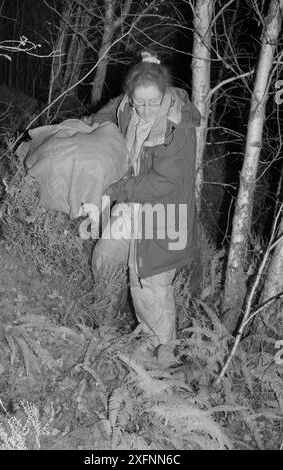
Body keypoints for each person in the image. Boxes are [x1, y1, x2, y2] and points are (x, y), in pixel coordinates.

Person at [90, 50, 201, 349]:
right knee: (105, 259)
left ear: (164, 93)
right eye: (140, 101)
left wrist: (118, 190)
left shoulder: (178, 128)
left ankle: (160, 368)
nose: (147, 109)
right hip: (132, 207)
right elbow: (109, 114)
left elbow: (165, 181)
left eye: (153, 101)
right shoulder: (129, 105)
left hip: (164, 216)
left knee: (149, 288)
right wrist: (93, 132)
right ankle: (106, 329)